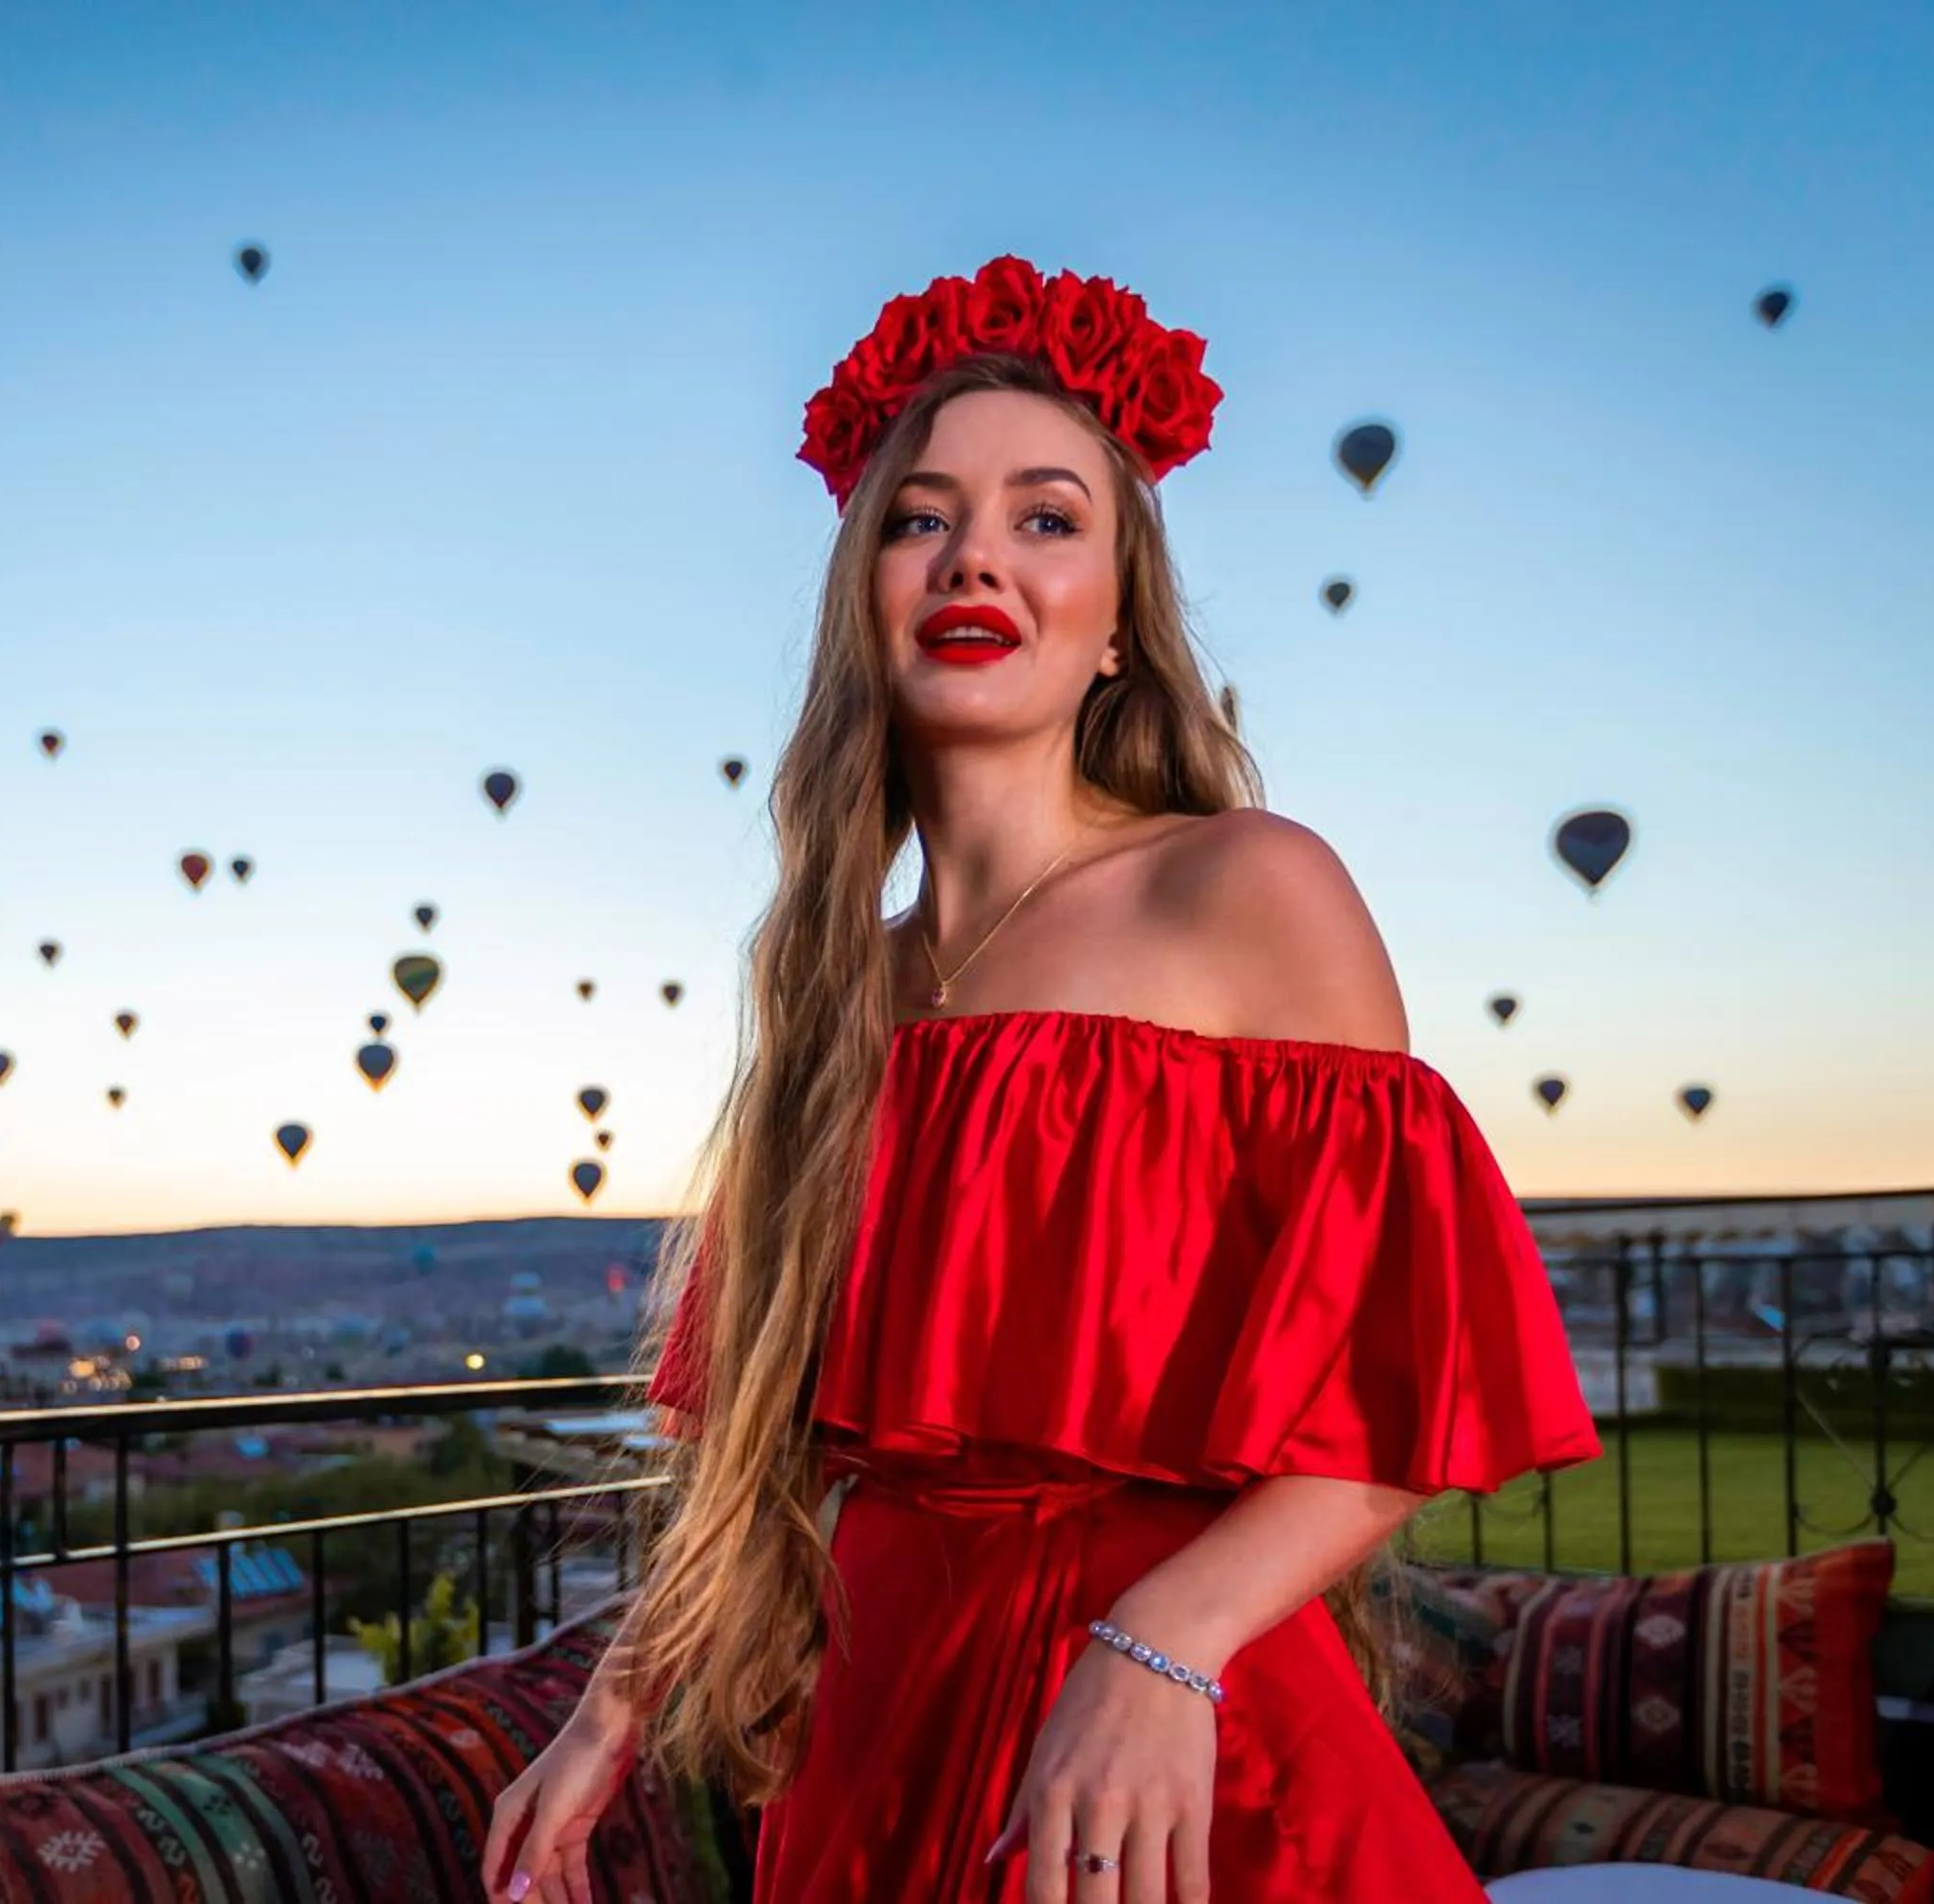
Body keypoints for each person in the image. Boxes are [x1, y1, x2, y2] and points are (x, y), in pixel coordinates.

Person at [480, 252, 1603, 1903]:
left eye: (1046, 517)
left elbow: (1399, 1388)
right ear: (864, 594)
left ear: (1115, 636)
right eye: (922, 517)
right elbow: (767, 1453)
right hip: (877, 1714)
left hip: (1152, 1713)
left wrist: (1165, 1645)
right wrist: (609, 1709)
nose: (976, 556)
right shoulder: (839, 987)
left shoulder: (1245, 887)